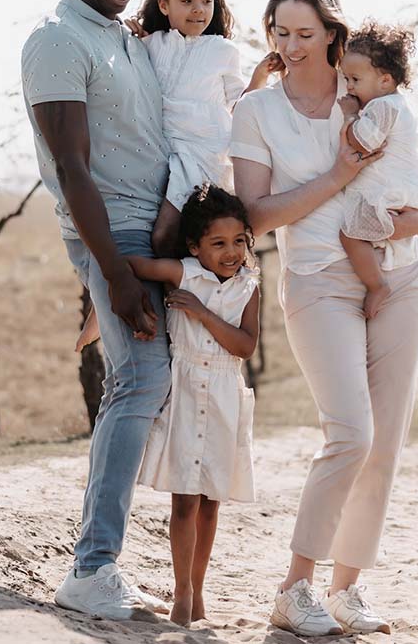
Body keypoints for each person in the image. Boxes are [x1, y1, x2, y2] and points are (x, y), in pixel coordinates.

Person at [230, 0, 418, 637]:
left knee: (384, 440)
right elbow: (255, 216)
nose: (290, 45)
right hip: (320, 279)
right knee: (350, 431)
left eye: (304, 33)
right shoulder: (256, 111)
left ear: (332, 35)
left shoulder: (376, 96)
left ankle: (346, 588)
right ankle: (294, 588)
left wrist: (410, 225)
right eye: (280, 33)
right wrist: (337, 177)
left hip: (402, 279)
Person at [21, 0, 172, 620]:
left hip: (154, 234)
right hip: (115, 236)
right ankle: (91, 567)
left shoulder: (126, 38)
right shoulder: (56, 41)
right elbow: (71, 165)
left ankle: (101, 562)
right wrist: (112, 271)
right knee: (138, 379)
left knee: (152, 383)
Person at [76, 0, 278, 350]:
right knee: (137, 234)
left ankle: (154, 311)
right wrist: (133, 34)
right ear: (164, 5)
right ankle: (105, 308)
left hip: (202, 155)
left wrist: (259, 77)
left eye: (207, 0)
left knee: (167, 233)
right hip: (158, 153)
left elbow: (240, 109)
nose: (199, 8)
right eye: (186, 0)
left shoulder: (223, 51)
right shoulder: (152, 45)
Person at [130, 185, 260, 627]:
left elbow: (245, 346)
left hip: (224, 396)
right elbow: (131, 265)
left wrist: (203, 313)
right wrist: (133, 306)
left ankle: (200, 589)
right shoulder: (181, 273)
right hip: (185, 392)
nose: (231, 253)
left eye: (239, 241)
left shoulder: (249, 286)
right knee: (184, 500)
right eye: (218, 243)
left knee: (211, 502)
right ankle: (181, 591)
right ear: (194, 246)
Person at [338, 20, 418, 318]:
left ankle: (377, 285)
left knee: (351, 234)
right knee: (411, 212)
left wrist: (349, 117)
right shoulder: (403, 104)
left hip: (392, 190)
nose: (349, 87)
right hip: (415, 188)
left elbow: (363, 143)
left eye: (355, 80)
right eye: (346, 78)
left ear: (384, 80)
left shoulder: (379, 108)